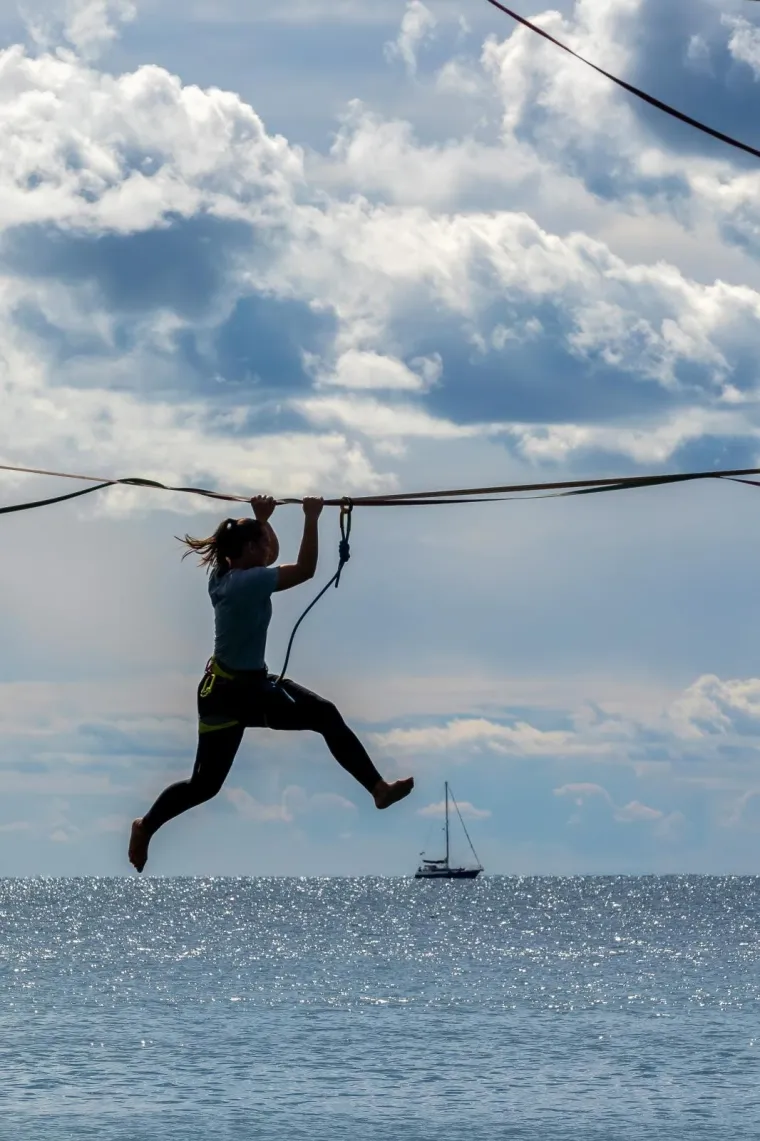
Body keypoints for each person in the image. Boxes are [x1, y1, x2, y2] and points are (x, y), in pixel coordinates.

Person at [128, 494, 414, 872]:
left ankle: (378, 790)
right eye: (262, 543)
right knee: (205, 785)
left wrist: (261, 518)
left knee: (323, 714)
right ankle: (145, 826)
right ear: (248, 549)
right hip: (231, 695)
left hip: (246, 683)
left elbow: (270, 552)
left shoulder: (225, 574)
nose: (269, 549)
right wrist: (312, 518)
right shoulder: (246, 583)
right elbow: (306, 569)